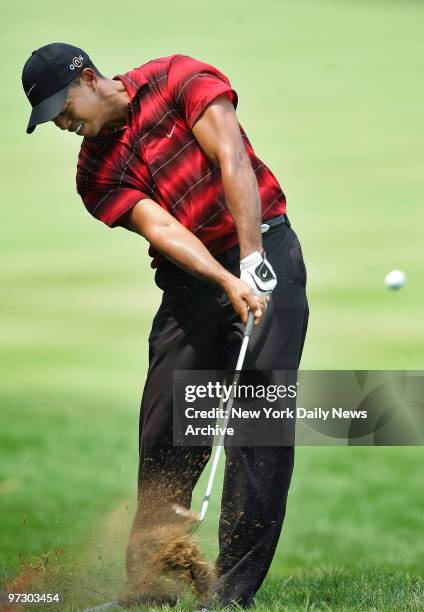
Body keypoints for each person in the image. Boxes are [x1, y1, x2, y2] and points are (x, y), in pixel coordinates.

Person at [22, 42, 309, 608]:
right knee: (165, 429)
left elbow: (233, 159)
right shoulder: (94, 173)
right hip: (190, 282)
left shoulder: (178, 77)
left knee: (258, 426)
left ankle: (228, 593)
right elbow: (165, 232)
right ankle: (150, 584)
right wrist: (227, 281)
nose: (62, 122)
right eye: (51, 116)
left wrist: (251, 262)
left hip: (265, 246)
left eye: (63, 106)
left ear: (89, 77)